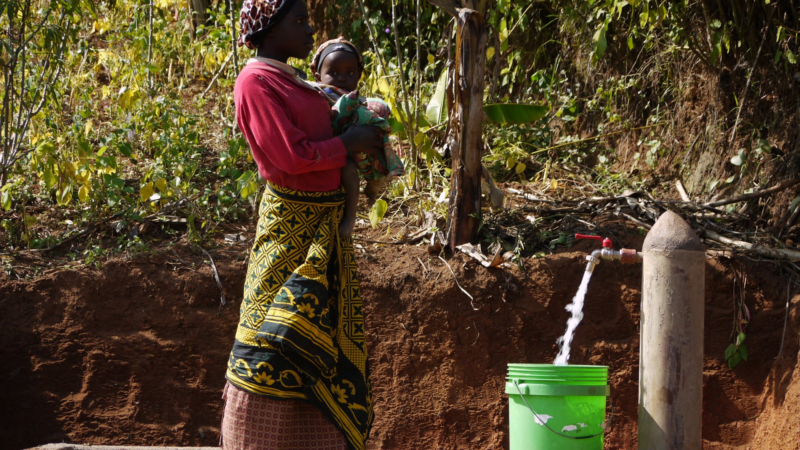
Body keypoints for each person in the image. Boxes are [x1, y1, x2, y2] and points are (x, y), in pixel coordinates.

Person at [221, 1, 382, 449]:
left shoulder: (291, 80)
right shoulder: (255, 82)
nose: (311, 29)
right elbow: (290, 155)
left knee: (323, 336)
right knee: (271, 335)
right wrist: (347, 142)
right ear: (269, 31)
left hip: (326, 225)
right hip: (290, 228)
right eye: (300, 21)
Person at [310, 37, 404, 237]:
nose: (342, 78)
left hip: (358, 150)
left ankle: (370, 190)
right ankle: (352, 213)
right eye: (333, 73)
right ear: (318, 75)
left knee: (366, 164)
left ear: (359, 75)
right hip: (332, 151)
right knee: (348, 169)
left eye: (350, 73)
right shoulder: (316, 96)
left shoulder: (357, 100)